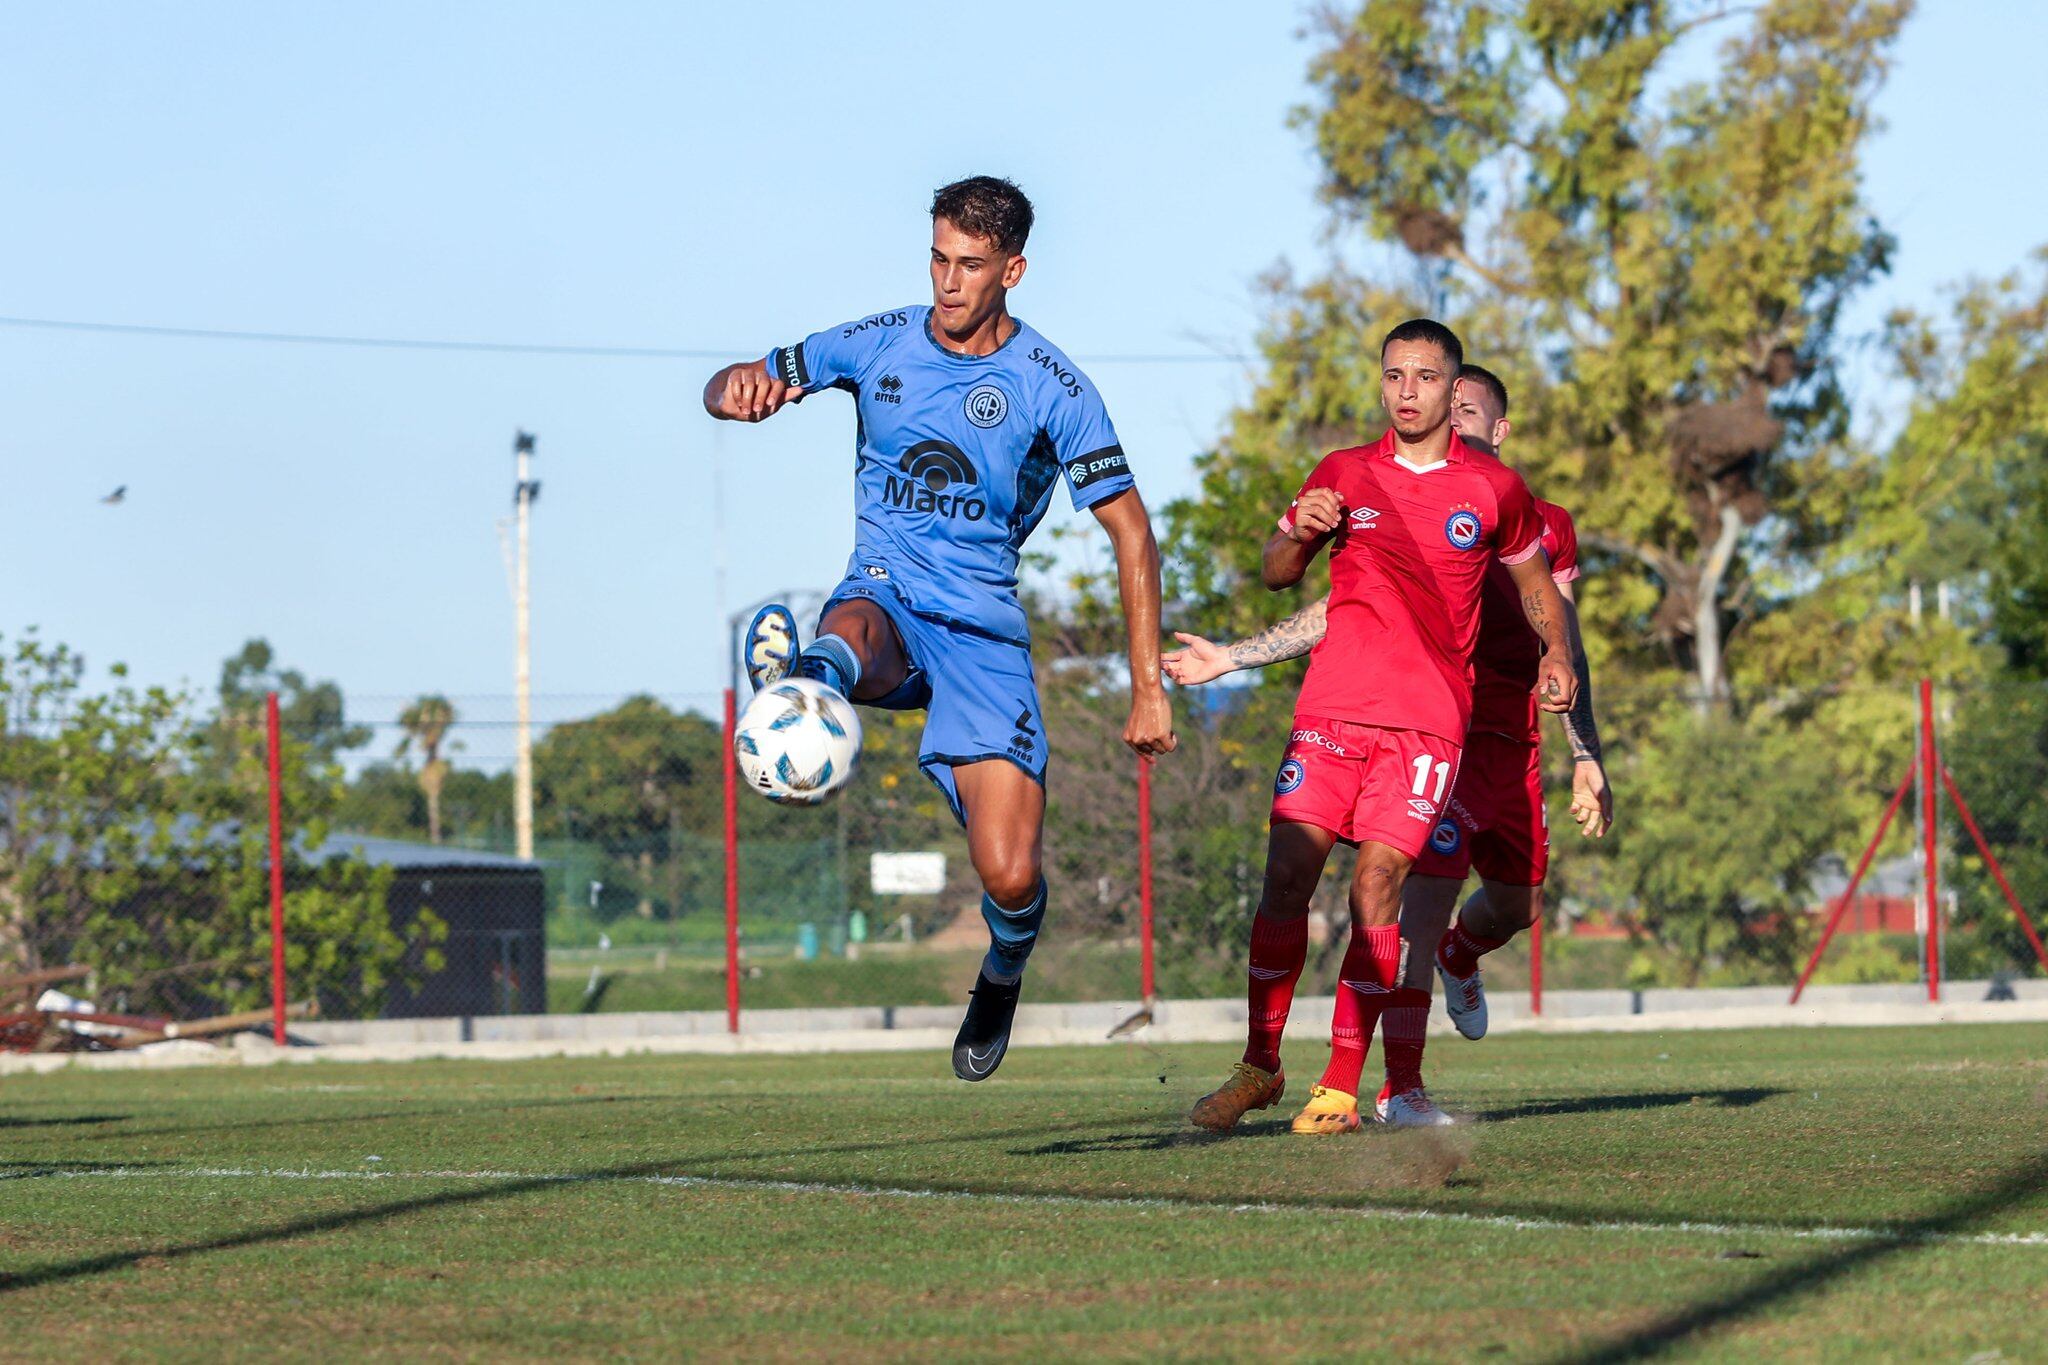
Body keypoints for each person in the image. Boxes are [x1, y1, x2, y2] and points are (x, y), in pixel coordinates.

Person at [702, 176, 1176, 1082]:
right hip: (887, 592)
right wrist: (739, 392)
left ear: (1013, 269)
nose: (948, 283)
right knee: (856, 618)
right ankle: (809, 675)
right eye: (937, 258)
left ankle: (1001, 972)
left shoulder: (1052, 385)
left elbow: (1132, 530)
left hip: (983, 637)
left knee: (1008, 875)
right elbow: (735, 378)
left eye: (970, 265)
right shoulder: (873, 342)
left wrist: (1148, 683)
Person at [1168, 364, 1611, 1120]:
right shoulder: (1371, 480)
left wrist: (1584, 753)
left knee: (1518, 903)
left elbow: (1560, 631)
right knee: (1399, 898)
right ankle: (1386, 1084)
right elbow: (1334, 605)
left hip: (1511, 744)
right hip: (1436, 732)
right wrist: (1235, 654)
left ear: (1497, 430)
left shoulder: (1533, 518)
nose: (1451, 416)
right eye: (1435, 396)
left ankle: (1458, 964)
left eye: (1466, 406)